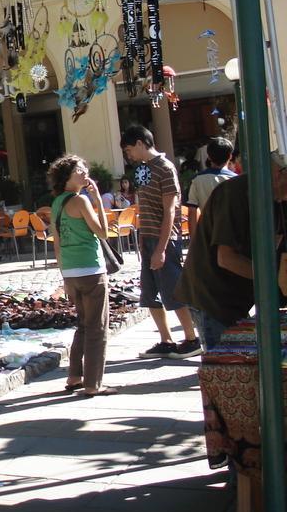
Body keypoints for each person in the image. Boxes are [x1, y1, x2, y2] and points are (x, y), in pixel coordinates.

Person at [176, 151, 287, 349]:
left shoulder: (278, 199)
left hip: (238, 298)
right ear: (279, 174)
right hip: (212, 297)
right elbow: (226, 258)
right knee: (225, 367)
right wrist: (273, 278)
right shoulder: (234, 193)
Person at [120, 124, 202, 358]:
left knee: (173, 291)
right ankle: (166, 340)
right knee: (150, 293)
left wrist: (162, 248)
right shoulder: (142, 169)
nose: (129, 155)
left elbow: (170, 211)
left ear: (139, 143)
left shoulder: (165, 168)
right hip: (147, 237)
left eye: (128, 150)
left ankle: (191, 338)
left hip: (163, 239)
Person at [49, 155, 115, 396]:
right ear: (67, 176)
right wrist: (97, 200)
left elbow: (56, 242)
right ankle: (93, 384)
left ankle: (74, 376)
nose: (85, 171)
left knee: (83, 325)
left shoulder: (56, 203)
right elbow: (104, 233)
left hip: (71, 271)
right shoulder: (81, 201)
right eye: (79, 169)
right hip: (91, 269)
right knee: (97, 328)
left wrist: (64, 274)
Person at [184, 137, 237, 237]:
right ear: (230, 156)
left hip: (207, 233)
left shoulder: (197, 180)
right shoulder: (235, 179)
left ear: (209, 156)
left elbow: (192, 211)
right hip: (231, 233)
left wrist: (194, 240)